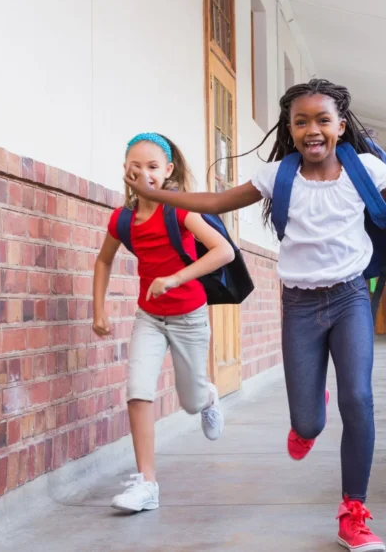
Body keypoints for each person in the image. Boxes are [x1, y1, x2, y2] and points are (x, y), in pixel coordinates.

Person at [124, 80, 386, 552]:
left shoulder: (365, 168)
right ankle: (310, 416)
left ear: (341, 126)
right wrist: (160, 196)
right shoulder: (278, 175)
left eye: (323, 120)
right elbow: (214, 203)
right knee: (307, 424)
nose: (313, 130)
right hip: (300, 305)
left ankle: (354, 513)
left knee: (359, 398)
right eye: (302, 121)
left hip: (350, 297)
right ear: (290, 131)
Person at [92, 133, 235, 513]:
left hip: (189, 317)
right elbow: (103, 260)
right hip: (149, 318)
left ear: (168, 171)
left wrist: (175, 278)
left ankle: (207, 396)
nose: (144, 174)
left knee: (189, 403)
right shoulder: (122, 219)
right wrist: (99, 310)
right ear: (125, 170)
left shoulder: (181, 211)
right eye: (135, 167)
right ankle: (147, 483)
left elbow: (224, 251)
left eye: (153, 167)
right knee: (138, 391)